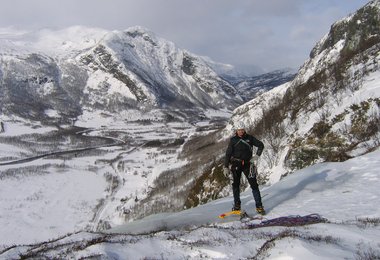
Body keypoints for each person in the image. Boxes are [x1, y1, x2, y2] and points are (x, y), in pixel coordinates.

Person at [223, 122, 265, 215]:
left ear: (244, 130)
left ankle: (259, 206)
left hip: (248, 164)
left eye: (242, 130)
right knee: (236, 185)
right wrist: (225, 166)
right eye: (239, 130)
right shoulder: (233, 140)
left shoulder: (250, 138)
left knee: (254, 185)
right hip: (236, 164)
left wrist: (257, 156)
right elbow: (228, 154)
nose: (241, 131)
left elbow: (261, 145)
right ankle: (237, 206)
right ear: (236, 131)